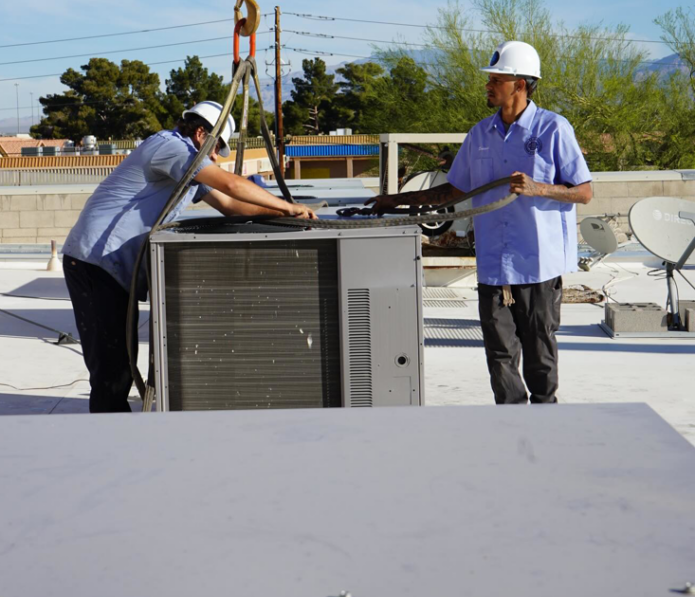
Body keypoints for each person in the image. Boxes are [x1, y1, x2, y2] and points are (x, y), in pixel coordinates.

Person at [368, 41, 592, 405]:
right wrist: (394, 200)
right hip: (492, 265)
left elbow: (583, 192)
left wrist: (537, 189)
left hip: (537, 266)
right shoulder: (479, 135)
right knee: (499, 356)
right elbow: (453, 191)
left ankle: (547, 421)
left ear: (520, 84)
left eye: (496, 79)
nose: (488, 85)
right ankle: (511, 421)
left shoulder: (554, 128)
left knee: (540, 358)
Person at [62, 101, 317, 412]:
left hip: (110, 268)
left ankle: (117, 432)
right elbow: (233, 184)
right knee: (111, 371)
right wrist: (288, 205)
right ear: (200, 133)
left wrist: (284, 213)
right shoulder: (169, 147)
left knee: (119, 365)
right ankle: (111, 439)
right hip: (94, 262)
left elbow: (232, 205)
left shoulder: (186, 168)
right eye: (216, 148)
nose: (214, 157)